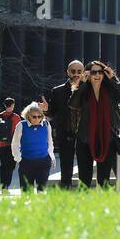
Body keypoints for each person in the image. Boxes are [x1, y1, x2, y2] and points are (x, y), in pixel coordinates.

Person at [70, 60, 120, 188]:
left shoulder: (110, 89)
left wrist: (114, 79)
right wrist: (81, 83)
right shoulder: (83, 90)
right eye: (93, 72)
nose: (97, 75)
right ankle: (83, 207)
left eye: (100, 72)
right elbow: (73, 104)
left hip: (106, 138)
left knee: (104, 180)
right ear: (88, 74)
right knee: (84, 180)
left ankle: (101, 206)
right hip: (85, 139)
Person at [40, 60, 84, 188]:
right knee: (66, 162)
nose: (76, 74)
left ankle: (84, 190)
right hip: (65, 132)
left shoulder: (88, 90)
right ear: (68, 72)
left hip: (84, 133)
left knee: (84, 162)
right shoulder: (57, 91)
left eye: (79, 71)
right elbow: (51, 113)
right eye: (73, 71)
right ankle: (66, 187)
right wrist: (46, 110)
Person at [11, 101, 55, 192]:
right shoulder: (21, 125)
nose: (37, 119)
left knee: (41, 191)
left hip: (43, 162)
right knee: (26, 192)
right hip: (26, 162)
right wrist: (18, 158)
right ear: (28, 116)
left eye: (39, 117)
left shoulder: (46, 124)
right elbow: (15, 144)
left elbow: (50, 142)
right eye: (34, 117)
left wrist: (52, 157)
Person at [0, 98, 19, 190]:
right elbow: (19, 132)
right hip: (12, 145)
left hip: (1, 144)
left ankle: (3, 185)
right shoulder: (16, 117)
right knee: (11, 166)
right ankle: (7, 184)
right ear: (13, 105)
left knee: (3, 165)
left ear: (5, 105)